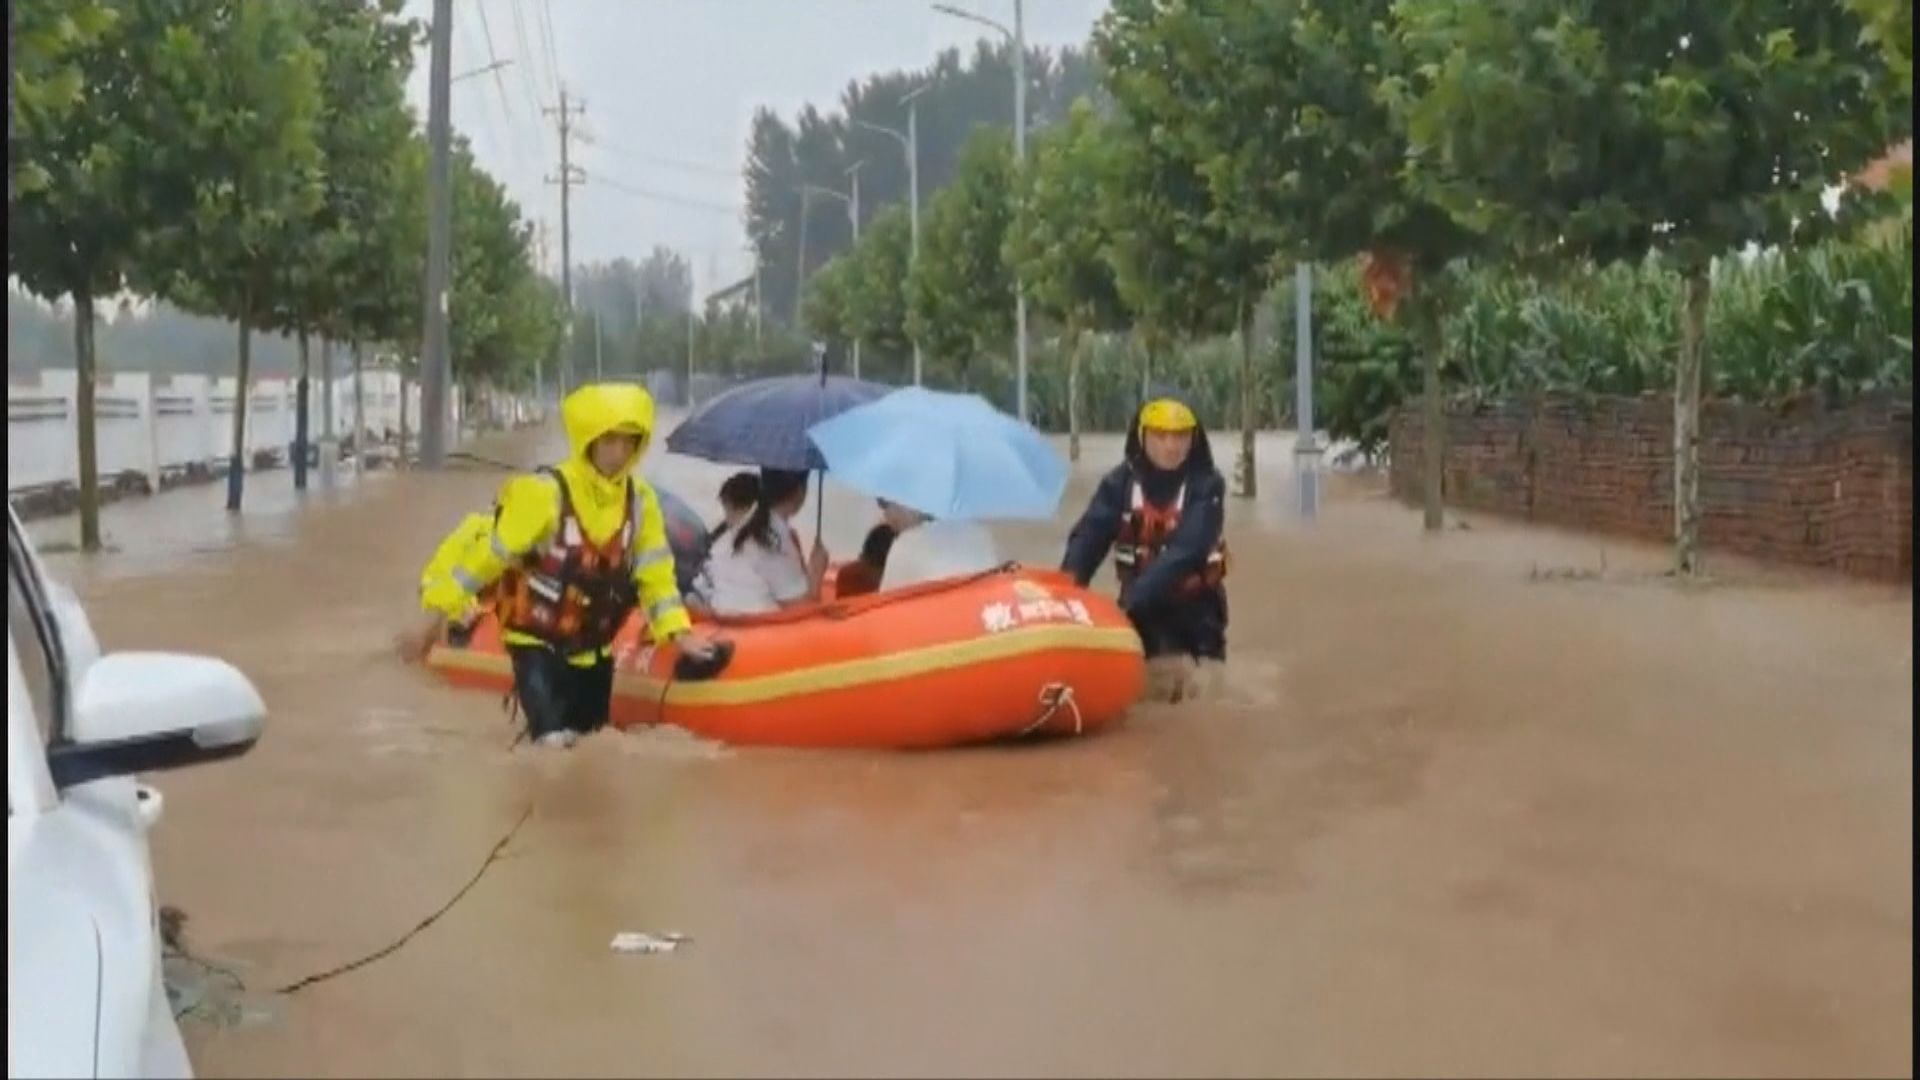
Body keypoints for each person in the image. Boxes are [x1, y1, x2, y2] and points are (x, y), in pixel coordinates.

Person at [398, 382, 720, 748]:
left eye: (628, 441)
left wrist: (679, 633)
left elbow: (656, 576)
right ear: (589, 440)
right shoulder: (543, 493)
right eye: (609, 440)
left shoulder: (640, 502)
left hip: (595, 648)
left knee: (591, 744)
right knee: (552, 746)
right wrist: (443, 608)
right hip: (535, 643)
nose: (619, 452)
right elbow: (488, 559)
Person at [1060, 391, 1229, 683]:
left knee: (1200, 690)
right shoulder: (1118, 484)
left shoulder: (1207, 485)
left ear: (1194, 438)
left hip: (1196, 613)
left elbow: (1189, 549)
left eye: (1180, 436)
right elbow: (1089, 538)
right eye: (1160, 436)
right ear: (1141, 436)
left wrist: (1127, 605)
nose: (1171, 446)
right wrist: (1064, 597)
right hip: (1140, 613)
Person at [691, 468, 830, 615]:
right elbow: (800, 608)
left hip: (722, 611)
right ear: (800, 491)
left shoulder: (742, 527)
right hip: (751, 622)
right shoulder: (774, 538)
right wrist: (817, 574)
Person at [874, 499, 1002, 591]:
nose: (885, 517)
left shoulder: (906, 546)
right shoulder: (980, 535)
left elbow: (885, 611)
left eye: (884, 504)